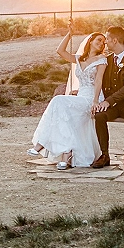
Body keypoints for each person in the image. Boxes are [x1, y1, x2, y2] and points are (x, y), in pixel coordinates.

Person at [27, 23, 106, 170]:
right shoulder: (79, 59)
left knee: (58, 101)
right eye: (99, 40)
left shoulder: (101, 60)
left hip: (91, 98)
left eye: (103, 42)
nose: (101, 44)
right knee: (64, 115)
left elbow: (98, 81)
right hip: (80, 96)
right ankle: (66, 154)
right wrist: (69, 34)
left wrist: (95, 101)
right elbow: (60, 51)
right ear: (90, 41)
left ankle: (42, 144)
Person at [91, 25, 124, 169]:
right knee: (99, 116)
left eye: (107, 39)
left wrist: (108, 101)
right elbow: (98, 81)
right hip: (113, 106)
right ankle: (104, 155)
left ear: (115, 40)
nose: (105, 42)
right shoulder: (106, 60)